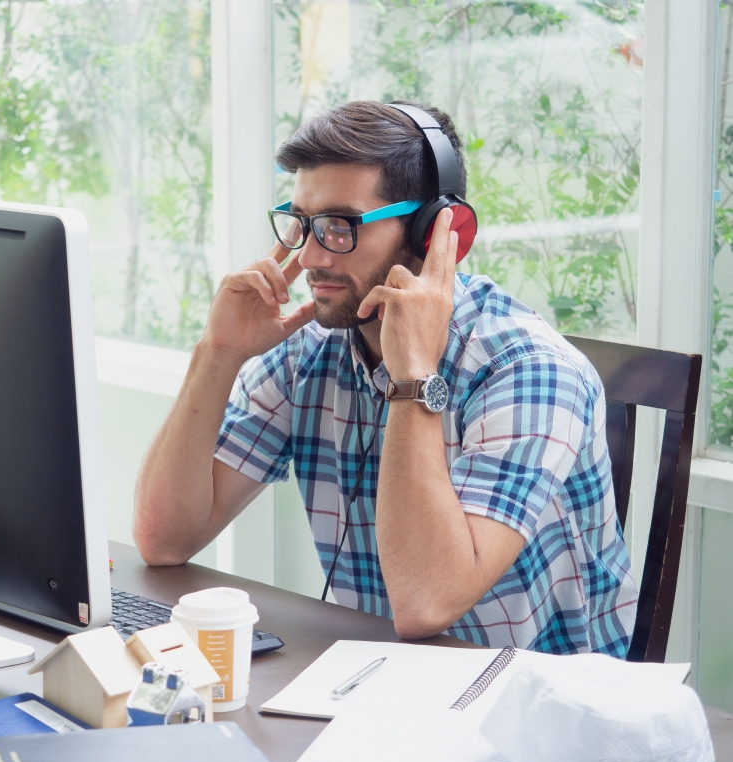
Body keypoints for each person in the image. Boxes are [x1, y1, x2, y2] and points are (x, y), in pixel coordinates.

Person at [133, 100, 637, 656]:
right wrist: (218, 353)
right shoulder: (313, 348)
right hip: (380, 683)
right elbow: (163, 538)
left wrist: (413, 375)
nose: (310, 256)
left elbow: (427, 604)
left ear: (433, 233)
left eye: (339, 226)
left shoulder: (531, 372)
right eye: (302, 224)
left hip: (534, 708)